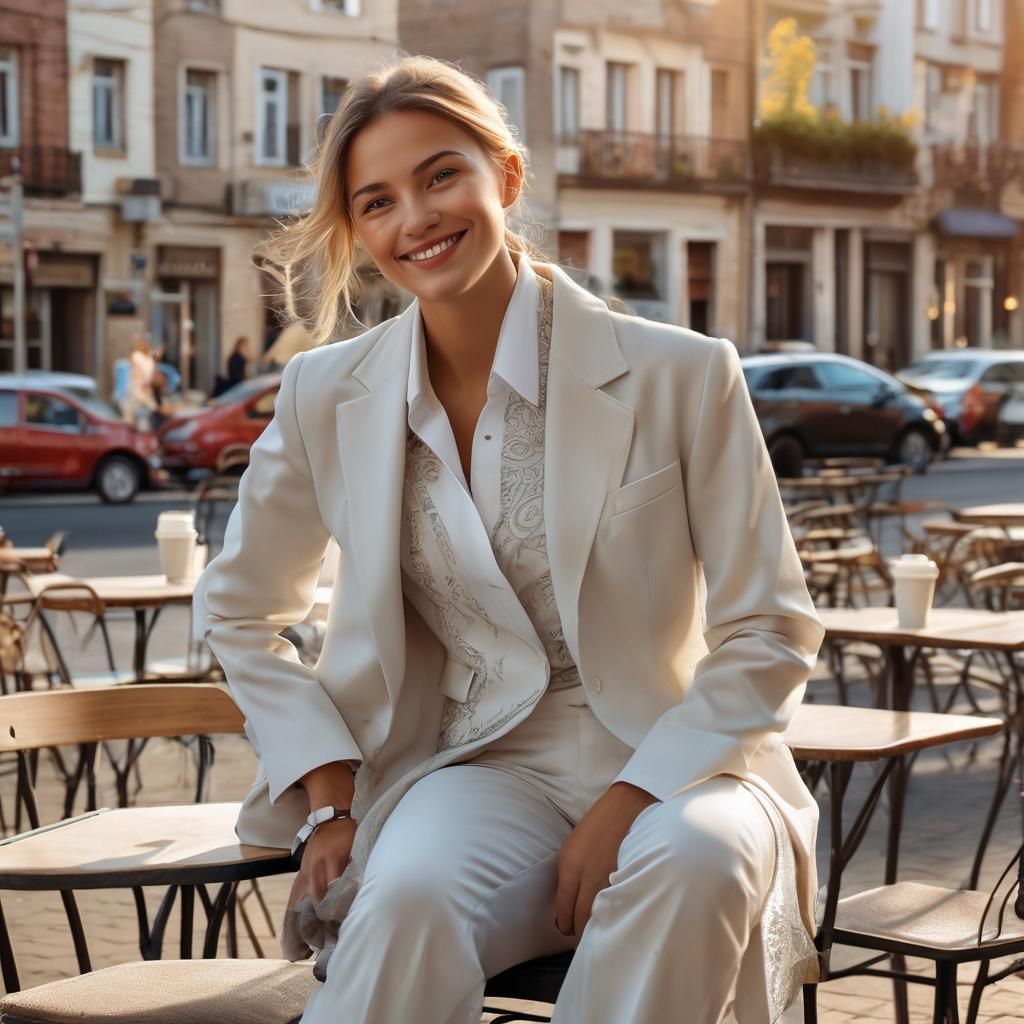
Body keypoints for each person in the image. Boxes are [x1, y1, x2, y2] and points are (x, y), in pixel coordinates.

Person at [194, 55, 824, 1024]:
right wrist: (327, 791)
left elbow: (771, 628)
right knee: (406, 898)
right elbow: (239, 611)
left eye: (441, 176)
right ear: (357, 231)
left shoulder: (683, 374)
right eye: (377, 201)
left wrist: (631, 798)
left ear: (508, 177)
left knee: (694, 864)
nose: (416, 218)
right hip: (476, 766)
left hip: (681, 759)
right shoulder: (326, 393)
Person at [123, 335, 157, 431]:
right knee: (131, 414)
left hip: (146, 388)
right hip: (137, 387)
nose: (143, 346)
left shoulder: (149, 356)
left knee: (145, 416)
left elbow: (156, 355)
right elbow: (137, 370)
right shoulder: (137, 356)